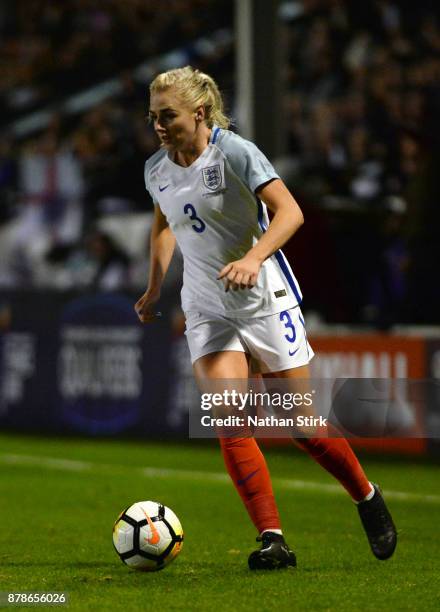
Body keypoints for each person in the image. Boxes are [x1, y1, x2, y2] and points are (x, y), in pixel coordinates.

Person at [135, 66, 397, 570]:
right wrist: (153, 288)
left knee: (300, 426)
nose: (160, 127)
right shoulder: (156, 169)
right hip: (206, 303)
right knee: (231, 422)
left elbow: (290, 212)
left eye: (168, 116)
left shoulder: (234, 152)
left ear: (200, 112)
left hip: (263, 296)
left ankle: (366, 495)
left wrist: (254, 259)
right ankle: (271, 538)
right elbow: (165, 226)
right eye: (153, 118)